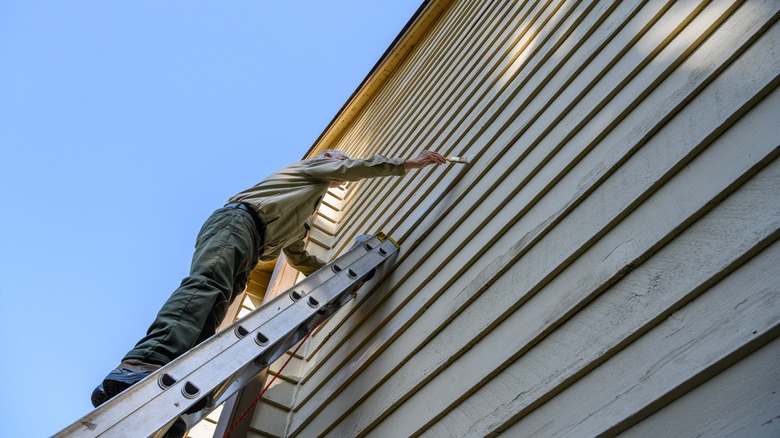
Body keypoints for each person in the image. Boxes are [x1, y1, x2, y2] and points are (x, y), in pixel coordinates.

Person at [91, 149, 447, 409]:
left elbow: (297, 254)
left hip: (251, 237)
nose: (338, 169)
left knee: (214, 307)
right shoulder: (311, 170)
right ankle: (141, 363)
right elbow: (349, 167)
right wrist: (406, 164)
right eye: (336, 161)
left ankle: (175, 381)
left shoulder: (303, 207)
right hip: (238, 223)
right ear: (327, 160)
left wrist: (334, 278)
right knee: (208, 285)